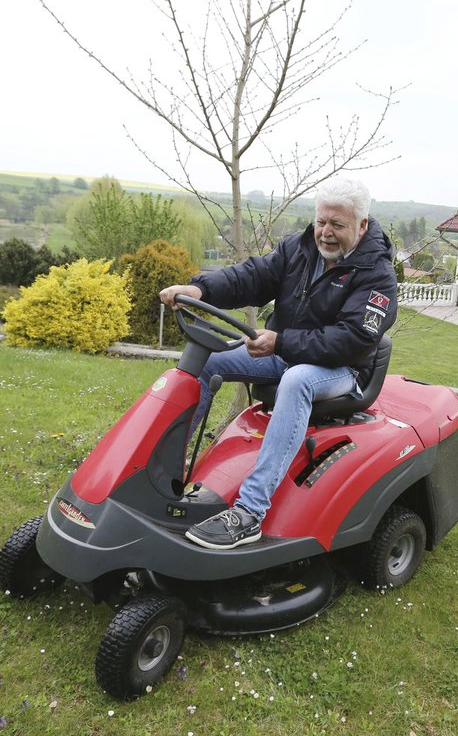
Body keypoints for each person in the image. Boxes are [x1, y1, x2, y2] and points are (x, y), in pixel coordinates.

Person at [159, 177, 398, 550]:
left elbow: (351, 340)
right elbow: (251, 277)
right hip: (287, 353)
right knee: (209, 360)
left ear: (362, 225)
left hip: (342, 370)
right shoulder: (299, 249)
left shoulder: (377, 277)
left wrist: (282, 341)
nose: (326, 233)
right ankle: (165, 475)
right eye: (321, 222)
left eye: (337, 225)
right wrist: (200, 289)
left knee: (298, 380)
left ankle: (250, 513)